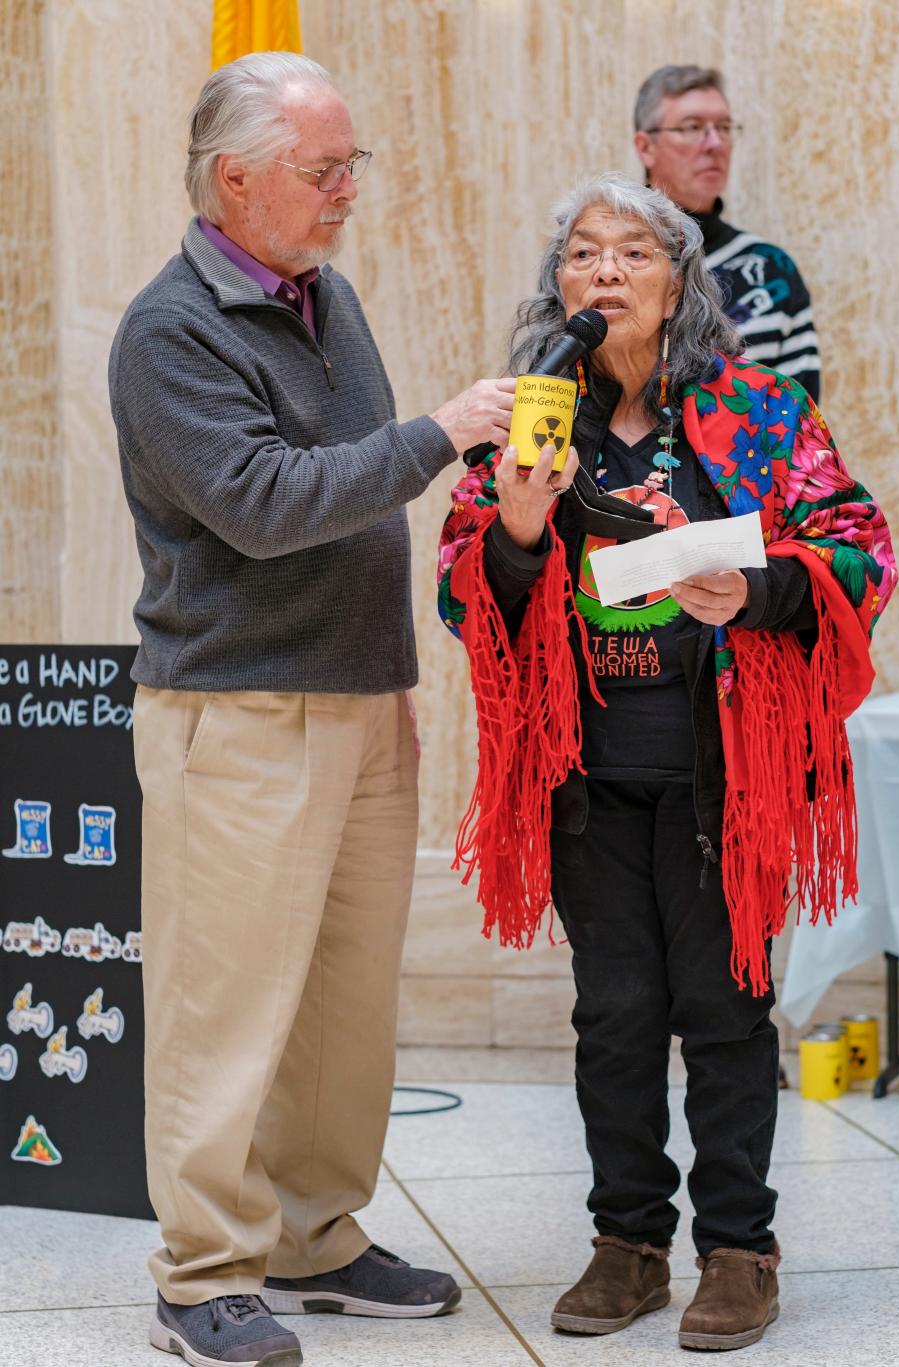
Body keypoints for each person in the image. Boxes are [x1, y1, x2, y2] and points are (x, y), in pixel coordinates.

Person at [437, 173, 896, 1352]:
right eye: (582, 253)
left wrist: (758, 587)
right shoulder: (535, 418)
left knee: (725, 1009)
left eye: (631, 254)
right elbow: (456, 581)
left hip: (722, 768)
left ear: (680, 280)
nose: (602, 272)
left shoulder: (756, 412)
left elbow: (857, 545)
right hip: (584, 767)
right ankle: (628, 1239)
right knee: (617, 1012)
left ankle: (739, 1246)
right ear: (559, 284)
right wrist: (525, 529)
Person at [109, 51, 515, 1367]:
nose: (347, 191)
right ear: (237, 180)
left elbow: (345, 476)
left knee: (346, 1007)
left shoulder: (323, 296)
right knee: (225, 1008)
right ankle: (203, 1270)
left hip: (358, 698)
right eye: (322, 169)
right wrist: (443, 430)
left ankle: (316, 1237)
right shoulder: (170, 329)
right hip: (236, 712)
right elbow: (269, 502)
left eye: (352, 166)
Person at [633, 64, 821, 400]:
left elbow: (800, 430)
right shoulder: (600, 266)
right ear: (646, 147)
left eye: (723, 127)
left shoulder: (770, 270)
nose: (715, 143)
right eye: (692, 128)